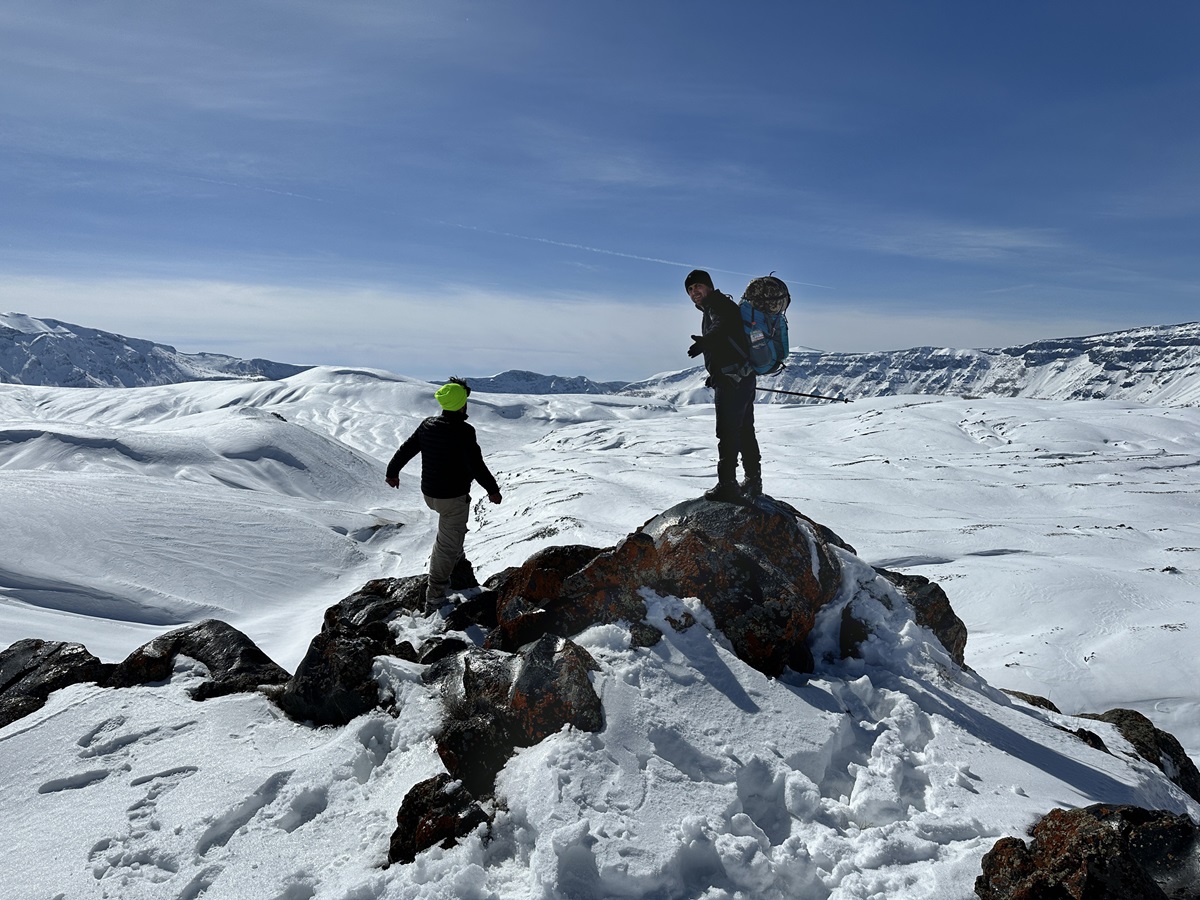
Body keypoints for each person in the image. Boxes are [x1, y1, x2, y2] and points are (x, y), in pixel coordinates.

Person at [385, 377, 502, 609]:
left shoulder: (428, 425)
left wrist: (392, 472)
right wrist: (493, 490)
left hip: (430, 494)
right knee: (446, 545)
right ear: (462, 404)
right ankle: (435, 596)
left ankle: (458, 561)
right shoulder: (464, 432)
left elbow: (407, 449)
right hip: (452, 498)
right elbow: (476, 466)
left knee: (452, 532)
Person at [685, 269, 762, 502]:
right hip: (740, 377)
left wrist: (705, 342)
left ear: (709, 286)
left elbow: (722, 326)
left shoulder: (718, 306)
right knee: (745, 430)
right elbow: (729, 337)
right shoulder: (716, 306)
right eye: (690, 290)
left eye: (698, 286)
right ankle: (752, 481)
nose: (694, 292)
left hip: (733, 381)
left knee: (727, 432)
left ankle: (727, 484)